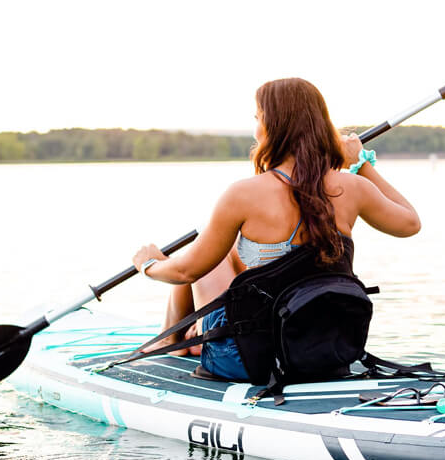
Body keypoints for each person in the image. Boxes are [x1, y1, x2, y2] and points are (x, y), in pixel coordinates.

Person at [131, 77, 421, 380]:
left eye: (258, 118)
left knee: (203, 254)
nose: (255, 128)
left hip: (252, 360)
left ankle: (171, 339)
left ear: (272, 126)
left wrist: (149, 265)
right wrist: (361, 164)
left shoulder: (243, 194)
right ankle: (188, 335)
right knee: (228, 251)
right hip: (324, 352)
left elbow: (185, 273)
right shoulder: (354, 188)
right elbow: (410, 223)